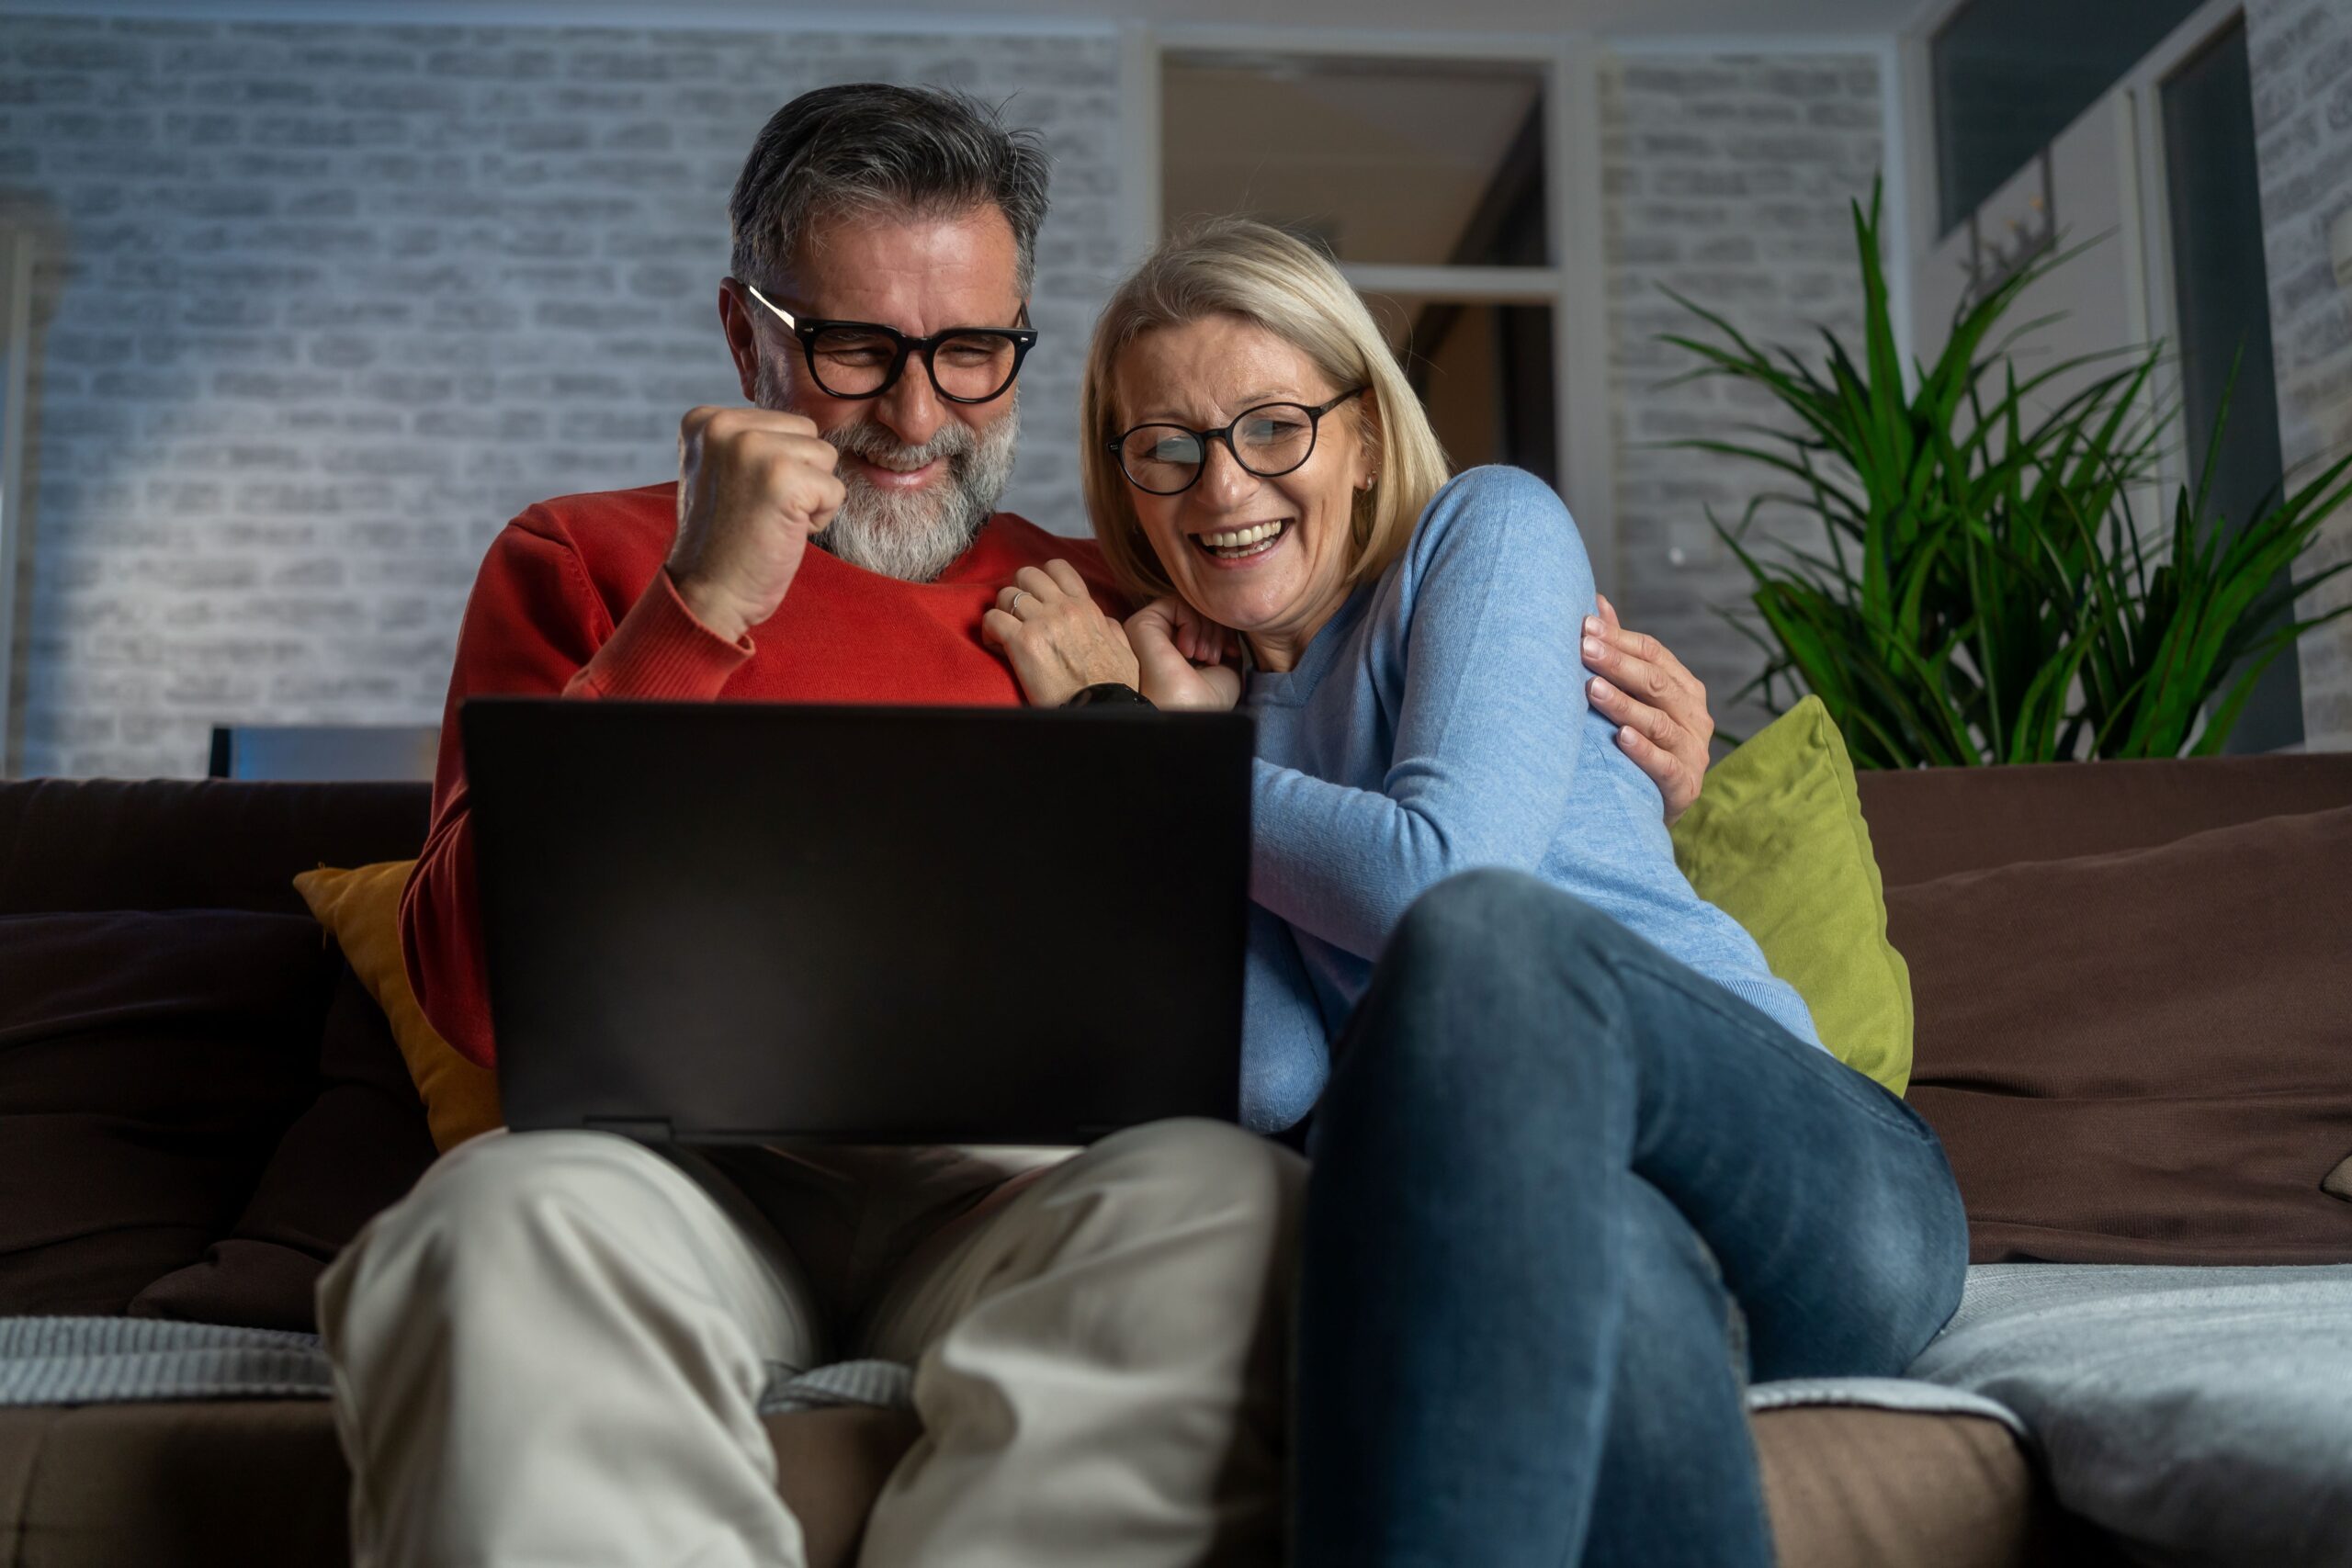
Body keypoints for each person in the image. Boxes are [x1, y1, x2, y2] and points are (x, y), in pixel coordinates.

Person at [318, 89, 1721, 1568]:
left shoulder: (1123, 602)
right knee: (488, 1232)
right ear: (749, 336)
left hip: (1029, 1194)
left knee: (1242, 1213)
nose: (915, 416)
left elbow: (1376, 791)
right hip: (677, 1177)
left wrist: (1635, 763)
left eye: (971, 352)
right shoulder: (584, 561)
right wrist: (703, 603)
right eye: (856, 347)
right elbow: (468, 988)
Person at [989, 218, 1970, 1567]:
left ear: (1370, 437)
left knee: (1487, 937)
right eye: (1168, 447)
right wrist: (1200, 749)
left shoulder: (1485, 531)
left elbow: (1446, 882)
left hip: (1813, 1193)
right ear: (1128, 480)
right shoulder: (1216, 718)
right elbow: (1273, 1080)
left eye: (1275, 427)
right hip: (1571, 1221)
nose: (1223, 487)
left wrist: (1144, 761)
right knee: (1605, 1267)